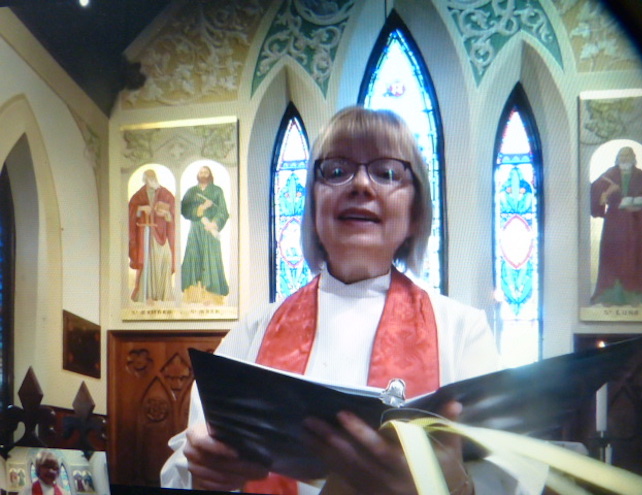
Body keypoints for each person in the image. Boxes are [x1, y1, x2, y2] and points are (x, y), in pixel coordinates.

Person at [161, 107, 525, 494]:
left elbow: (509, 473)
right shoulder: (252, 332)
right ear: (313, 206)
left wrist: (449, 487)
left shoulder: (461, 332)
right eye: (336, 171)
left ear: (415, 213)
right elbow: (179, 471)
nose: (361, 186)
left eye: (387, 172)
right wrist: (202, 471)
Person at [590, 146, 642, 306]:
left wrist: (636, 204)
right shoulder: (609, 175)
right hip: (614, 222)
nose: (624, 158)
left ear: (633, 158)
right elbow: (596, 190)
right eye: (621, 155)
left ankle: (635, 294)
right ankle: (609, 294)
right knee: (612, 256)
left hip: (634, 223)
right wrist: (606, 193)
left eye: (627, 155)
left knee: (634, 256)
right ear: (617, 158)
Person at [180, 165, 230, 305]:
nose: (203, 174)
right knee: (193, 257)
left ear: (210, 174)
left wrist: (215, 223)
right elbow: (184, 209)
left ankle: (211, 296)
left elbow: (223, 211)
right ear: (198, 175)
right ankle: (194, 296)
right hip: (196, 229)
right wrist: (201, 208)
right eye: (201, 172)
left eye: (206, 172)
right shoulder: (191, 192)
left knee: (211, 259)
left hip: (210, 230)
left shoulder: (217, 191)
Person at [128, 168, 176, 303]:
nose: (151, 181)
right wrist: (141, 209)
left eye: (153, 178)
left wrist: (165, 214)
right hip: (145, 235)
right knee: (148, 262)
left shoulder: (165, 194)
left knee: (165, 258)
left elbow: (172, 213)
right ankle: (147, 295)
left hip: (161, 234)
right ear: (145, 180)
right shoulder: (139, 196)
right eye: (148, 179)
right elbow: (131, 212)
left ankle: (163, 294)